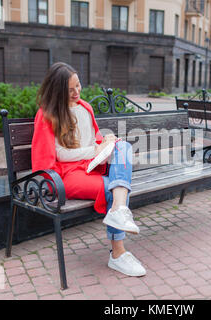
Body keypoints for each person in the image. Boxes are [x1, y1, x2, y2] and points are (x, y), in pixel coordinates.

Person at [31, 62, 146, 277]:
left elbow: (93, 138)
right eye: (70, 89)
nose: (77, 92)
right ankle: (118, 254)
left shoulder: (85, 108)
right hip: (67, 174)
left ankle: (119, 211)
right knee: (112, 187)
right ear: (57, 90)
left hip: (91, 166)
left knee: (123, 146)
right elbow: (58, 155)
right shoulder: (47, 115)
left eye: (78, 85)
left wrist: (106, 141)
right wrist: (95, 149)